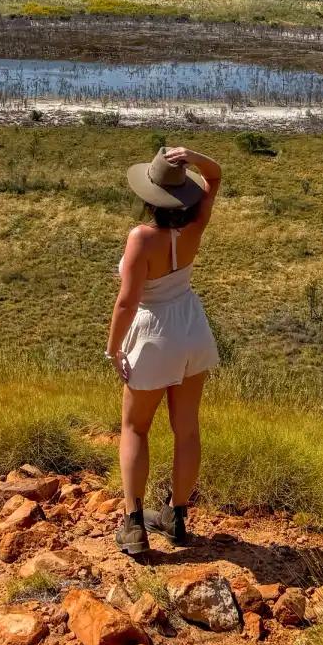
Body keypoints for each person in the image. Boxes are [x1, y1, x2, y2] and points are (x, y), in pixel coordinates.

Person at [105, 145, 222, 556]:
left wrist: (113, 347)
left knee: (135, 427)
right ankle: (175, 516)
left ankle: (134, 523)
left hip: (154, 333)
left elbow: (126, 301)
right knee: (186, 428)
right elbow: (217, 175)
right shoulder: (194, 226)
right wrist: (192, 155)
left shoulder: (142, 237)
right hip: (192, 326)